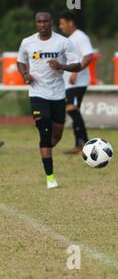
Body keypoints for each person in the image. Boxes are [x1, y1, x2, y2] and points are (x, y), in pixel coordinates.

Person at [17, 11, 80, 189]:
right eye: (39, 22)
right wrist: (25, 74)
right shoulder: (27, 42)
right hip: (37, 94)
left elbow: (77, 64)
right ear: (36, 23)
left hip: (58, 94)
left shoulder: (63, 42)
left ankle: (46, 148)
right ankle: (50, 177)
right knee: (44, 133)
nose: (42, 24)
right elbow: (20, 61)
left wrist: (61, 66)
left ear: (51, 22)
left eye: (45, 21)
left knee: (56, 135)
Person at [59, 11, 94, 154]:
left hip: (77, 82)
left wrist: (76, 71)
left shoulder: (80, 37)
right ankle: (80, 144)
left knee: (72, 110)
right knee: (72, 111)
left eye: (62, 23)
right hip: (70, 83)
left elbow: (88, 55)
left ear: (70, 22)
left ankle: (83, 144)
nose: (60, 26)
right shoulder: (71, 38)